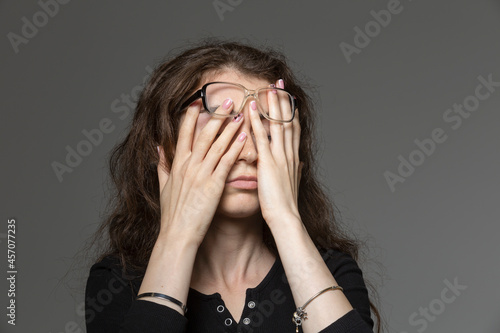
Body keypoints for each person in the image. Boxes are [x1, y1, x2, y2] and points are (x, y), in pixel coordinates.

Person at [85, 40, 381, 333]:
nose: (250, 154)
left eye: (265, 135)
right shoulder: (117, 282)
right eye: (224, 133)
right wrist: (178, 235)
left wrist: (285, 218)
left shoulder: (333, 272)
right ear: (163, 148)